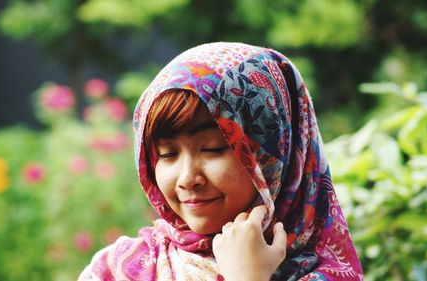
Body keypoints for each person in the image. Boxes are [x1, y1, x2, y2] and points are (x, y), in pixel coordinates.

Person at [78, 42, 363, 281]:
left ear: (272, 156)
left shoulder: (327, 271)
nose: (187, 178)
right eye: (167, 154)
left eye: (212, 149)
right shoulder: (119, 270)